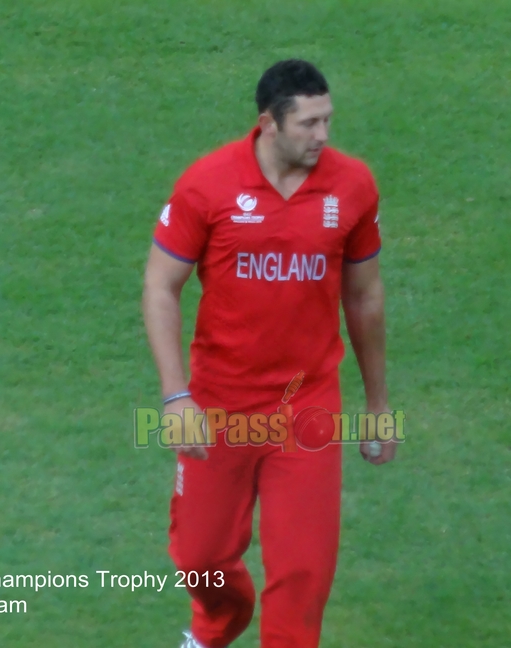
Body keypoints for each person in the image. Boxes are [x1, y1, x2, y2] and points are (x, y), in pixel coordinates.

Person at [142, 59, 395, 648]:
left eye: (328, 120)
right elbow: (160, 287)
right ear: (268, 124)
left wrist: (378, 403)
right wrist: (176, 396)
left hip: (306, 406)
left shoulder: (352, 186)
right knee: (200, 555)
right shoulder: (208, 185)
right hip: (220, 402)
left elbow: (365, 299)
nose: (323, 135)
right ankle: (215, 627)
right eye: (309, 123)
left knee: (304, 572)